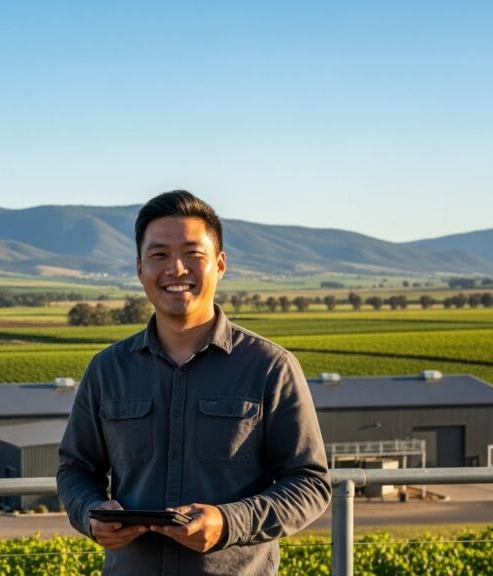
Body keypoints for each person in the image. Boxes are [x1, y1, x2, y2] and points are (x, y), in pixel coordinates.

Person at [57, 190, 331, 575]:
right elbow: (75, 469)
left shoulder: (271, 367)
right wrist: (91, 513)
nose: (176, 269)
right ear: (139, 269)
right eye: (159, 255)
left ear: (219, 265)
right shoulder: (107, 370)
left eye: (192, 254)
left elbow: (309, 483)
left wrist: (228, 522)